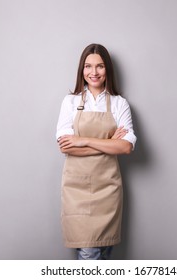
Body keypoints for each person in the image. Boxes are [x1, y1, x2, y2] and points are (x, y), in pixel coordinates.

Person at [56, 43, 137, 260]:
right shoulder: (70, 102)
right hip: (76, 190)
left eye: (100, 66)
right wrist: (109, 143)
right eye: (88, 66)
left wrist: (81, 140)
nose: (94, 72)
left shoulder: (120, 104)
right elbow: (66, 146)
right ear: (81, 70)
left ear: (107, 69)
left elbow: (126, 146)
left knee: (103, 254)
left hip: (108, 191)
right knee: (89, 255)